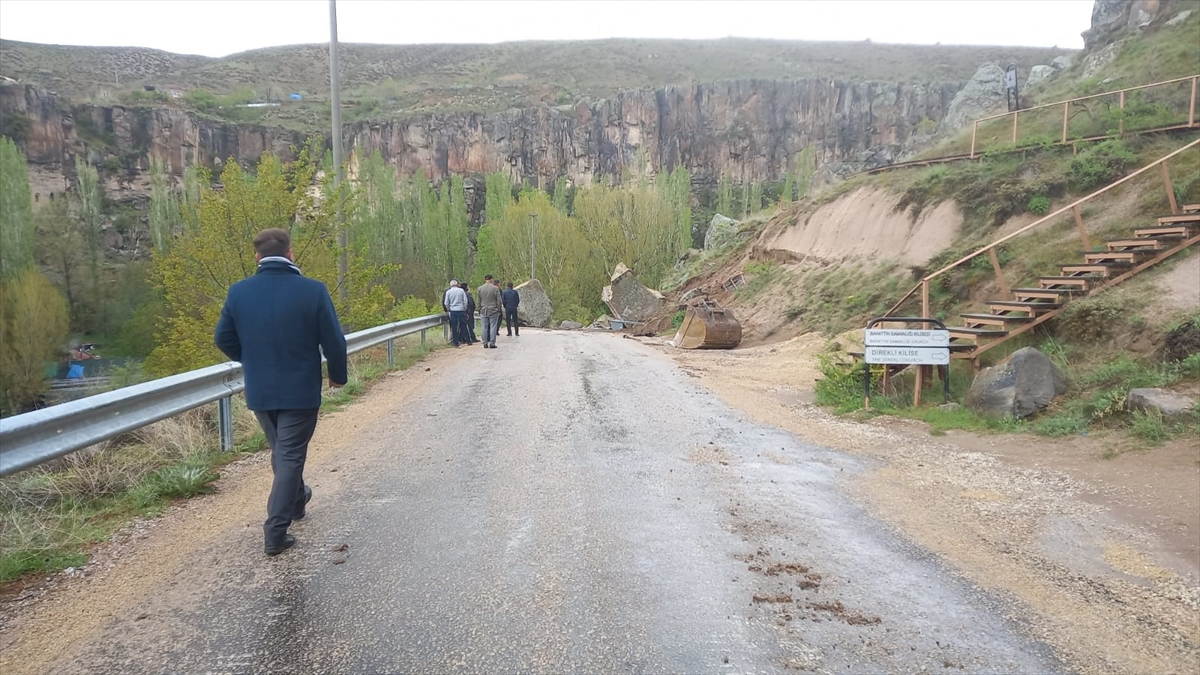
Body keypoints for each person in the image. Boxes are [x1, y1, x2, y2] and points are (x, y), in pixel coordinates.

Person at [214, 228, 347, 556]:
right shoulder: (312, 291)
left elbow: (223, 338)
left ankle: (297, 499)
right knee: (288, 455)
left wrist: (253, 359)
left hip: (261, 389)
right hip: (299, 388)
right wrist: (338, 376)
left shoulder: (238, 292)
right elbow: (333, 341)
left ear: (257, 257)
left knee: (282, 452)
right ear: (291, 254)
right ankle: (275, 530)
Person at [477, 275, 503, 349]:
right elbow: (499, 300)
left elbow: (478, 301)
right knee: (493, 327)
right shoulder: (495, 288)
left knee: (484, 327)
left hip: (483, 310)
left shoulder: (480, 288)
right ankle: (492, 343)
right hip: (493, 310)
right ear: (491, 279)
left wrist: (479, 309)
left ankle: (485, 343)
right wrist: (498, 309)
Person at [443, 280, 469, 346]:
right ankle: (468, 341)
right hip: (461, 310)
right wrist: (464, 309)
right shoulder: (461, 291)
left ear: (450, 285)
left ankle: (455, 342)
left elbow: (446, 303)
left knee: (454, 327)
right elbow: (465, 301)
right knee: (464, 325)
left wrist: (449, 309)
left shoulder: (448, 292)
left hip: (453, 311)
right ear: (457, 284)